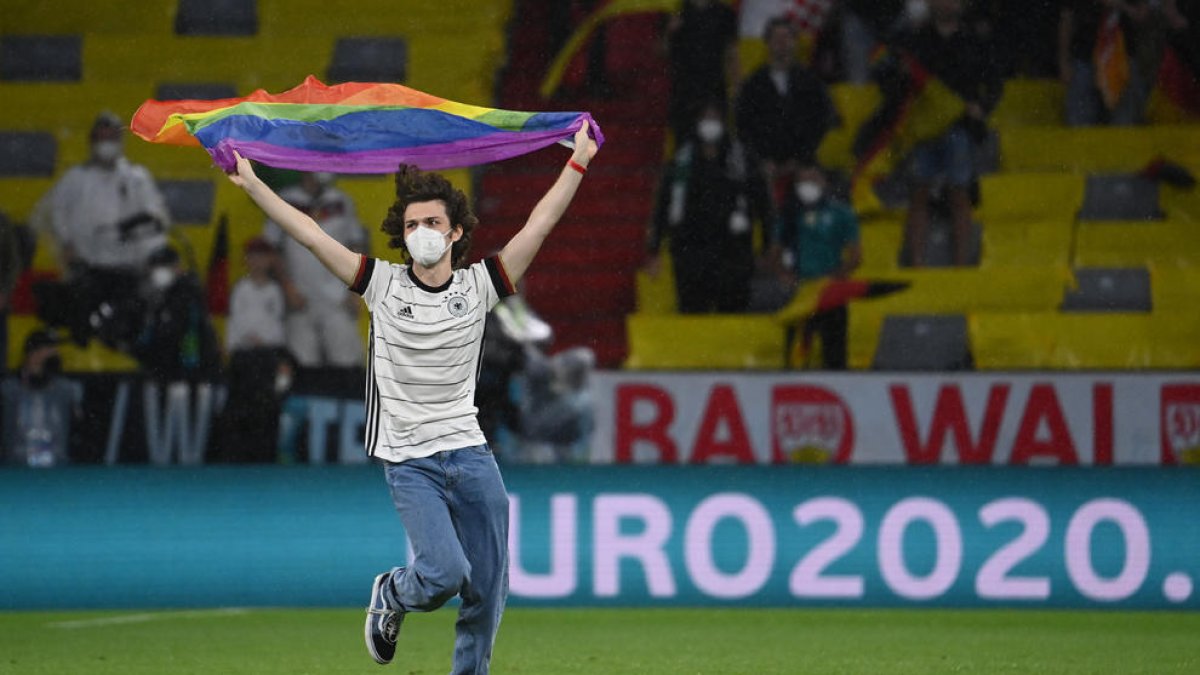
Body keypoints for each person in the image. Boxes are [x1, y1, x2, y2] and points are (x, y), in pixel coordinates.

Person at [223, 122, 599, 672]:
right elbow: (309, 235)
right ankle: (393, 594)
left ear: (454, 234)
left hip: (471, 454)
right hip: (409, 461)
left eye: (433, 223)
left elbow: (539, 226)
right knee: (444, 575)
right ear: (403, 234)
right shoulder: (381, 283)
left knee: (489, 588)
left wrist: (579, 160)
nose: (422, 230)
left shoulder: (479, 286)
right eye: (412, 223)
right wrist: (254, 185)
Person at [30, 112, 171, 344]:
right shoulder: (76, 179)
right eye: (101, 138)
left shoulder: (136, 178)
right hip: (88, 269)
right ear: (92, 142)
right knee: (81, 320)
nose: (106, 144)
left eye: (111, 138)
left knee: (130, 320)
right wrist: (66, 243)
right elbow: (56, 214)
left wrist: (148, 253)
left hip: (128, 271)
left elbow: (155, 219)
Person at [898, 0, 1002, 267]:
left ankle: (960, 266)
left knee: (959, 194)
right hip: (924, 129)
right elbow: (900, 80)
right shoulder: (916, 40)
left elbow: (994, 81)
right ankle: (917, 265)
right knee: (919, 194)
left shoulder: (974, 39)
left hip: (960, 128)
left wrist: (982, 106)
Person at [646, 102, 772, 313]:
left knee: (733, 312)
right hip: (691, 251)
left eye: (714, 119)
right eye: (705, 119)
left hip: (733, 251)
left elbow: (763, 203)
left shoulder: (743, 159)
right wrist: (655, 248)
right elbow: (663, 206)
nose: (710, 125)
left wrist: (767, 245)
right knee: (693, 312)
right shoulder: (681, 161)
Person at [263, 171, 369, 369]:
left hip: (337, 299)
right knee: (301, 363)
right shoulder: (286, 199)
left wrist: (355, 292)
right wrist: (287, 288)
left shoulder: (342, 201)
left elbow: (357, 247)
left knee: (347, 362)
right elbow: (272, 249)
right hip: (299, 299)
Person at [735, 16, 838, 202]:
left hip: (803, 167)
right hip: (763, 170)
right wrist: (763, 162)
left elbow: (822, 122)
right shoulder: (753, 85)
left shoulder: (811, 83)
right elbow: (744, 127)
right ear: (767, 43)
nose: (782, 44)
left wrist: (798, 161)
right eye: (776, 38)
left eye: (787, 38)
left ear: (794, 42)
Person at [774, 164, 861, 369]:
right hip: (801, 291)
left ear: (824, 183)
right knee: (796, 352)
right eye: (802, 182)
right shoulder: (789, 214)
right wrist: (784, 275)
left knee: (835, 353)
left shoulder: (841, 213)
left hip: (830, 290)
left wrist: (836, 278)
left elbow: (856, 255)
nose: (807, 186)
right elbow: (775, 251)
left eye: (812, 180)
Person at [220, 237, 291, 463]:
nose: (258, 261)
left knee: (266, 408)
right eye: (253, 257)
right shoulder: (241, 289)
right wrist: (233, 348)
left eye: (262, 257)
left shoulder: (275, 292)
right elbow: (235, 322)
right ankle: (236, 456)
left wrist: (276, 354)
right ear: (247, 260)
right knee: (239, 407)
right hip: (244, 355)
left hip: (267, 356)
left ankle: (265, 456)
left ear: (270, 260)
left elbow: (278, 325)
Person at [1059, 0, 1151, 126]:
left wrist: (1121, 6)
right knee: (1079, 122)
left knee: (1124, 123)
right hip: (1084, 59)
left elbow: (1143, 16)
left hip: (1122, 62)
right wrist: (1064, 62)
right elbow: (1067, 20)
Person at [1, 329, 81, 467]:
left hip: (57, 465)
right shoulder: (9, 390)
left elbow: (79, 432)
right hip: (16, 467)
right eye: (47, 350)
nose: (54, 354)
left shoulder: (66, 390)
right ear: (33, 353)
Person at [666, 0, 739, 141]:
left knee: (714, 142)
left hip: (714, 89)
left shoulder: (724, 13)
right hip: (683, 92)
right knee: (683, 145)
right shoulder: (676, 11)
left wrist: (737, 87)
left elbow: (732, 53)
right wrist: (669, 32)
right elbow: (662, 52)